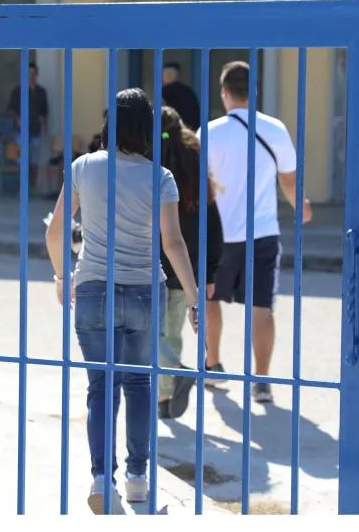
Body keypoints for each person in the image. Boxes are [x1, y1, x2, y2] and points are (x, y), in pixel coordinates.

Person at [45, 88, 199, 514]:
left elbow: (55, 232)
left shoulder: (83, 167)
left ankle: (101, 477)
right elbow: (173, 243)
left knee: (100, 387)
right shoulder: (160, 177)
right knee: (138, 383)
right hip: (144, 291)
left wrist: (62, 275)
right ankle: (137, 478)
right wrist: (193, 298)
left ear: (109, 125)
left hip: (93, 287)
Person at [201, 61, 312, 404]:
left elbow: (198, 184)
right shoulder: (274, 129)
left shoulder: (209, 132)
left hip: (218, 235)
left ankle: (213, 364)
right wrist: (303, 208)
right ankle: (261, 381)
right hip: (261, 233)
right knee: (261, 307)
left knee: (209, 299)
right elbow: (289, 181)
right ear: (254, 91)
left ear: (224, 92)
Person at [158, 106, 224, 419]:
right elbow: (213, 225)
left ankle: (164, 388)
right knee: (170, 333)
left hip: (145, 264)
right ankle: (164, 396)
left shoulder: (147, 168)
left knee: (141, 333)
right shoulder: (195, 168)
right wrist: (209, 272)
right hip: (185, 269)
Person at [7, 62, 48, 190]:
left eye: (33, 73)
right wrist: (17, 118)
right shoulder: (18, 91)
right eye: (28, 73)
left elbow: (44, 112)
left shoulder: (41, 92)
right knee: (22, 161)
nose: (31, 76)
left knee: (34, 161)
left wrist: (44, 126)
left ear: (36, 74)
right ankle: (22, 188)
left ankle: (32, 187)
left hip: (36, 129)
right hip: (21, 131)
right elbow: (11, 109)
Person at [161, 63, 201, 131]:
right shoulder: (187, 90)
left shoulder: (166, 91)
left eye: (164, 74)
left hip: (175, 131)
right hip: (191, 130)